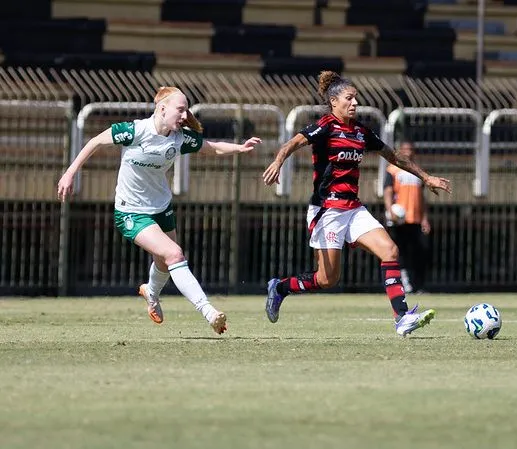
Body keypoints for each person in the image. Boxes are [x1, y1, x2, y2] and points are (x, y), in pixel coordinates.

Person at [57, 86, 261, 335]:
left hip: (161, 207)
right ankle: (209, 311)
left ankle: (151, 292)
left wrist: (239, 148)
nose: (185, 115)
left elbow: (211, 147)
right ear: (162, 108)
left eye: (186, 110)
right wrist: (69, 173)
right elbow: (96, 141)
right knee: (174, 254)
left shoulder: (179, 138)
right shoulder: (136, 130)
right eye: (180, 109)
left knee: (164, 263)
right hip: (131, 212)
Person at [261, 71, 451, 336]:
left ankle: (402, 317)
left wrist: (426, 176)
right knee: (327, 280)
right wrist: (278, 161)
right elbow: (294, 142)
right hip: (327, 210)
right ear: (334, 102)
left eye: (356, 99)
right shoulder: (325, 126)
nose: (354, 103)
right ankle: (280, 287)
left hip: (353, 209)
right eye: (349, 98)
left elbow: (393, 156)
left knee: (390, 251)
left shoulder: (361, 132)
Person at [383, 141, 431, 294]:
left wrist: (424, 218)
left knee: (419, 252)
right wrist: (390, 210)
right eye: (405, 150)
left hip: (416, 218)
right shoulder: (393, 169)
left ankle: (419, 285)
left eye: (410, 150)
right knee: (399, 252)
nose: (408, 152)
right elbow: (388, 191)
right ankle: (402, 283)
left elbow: (422, 197)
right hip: (399, 219)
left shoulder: (418, 171)